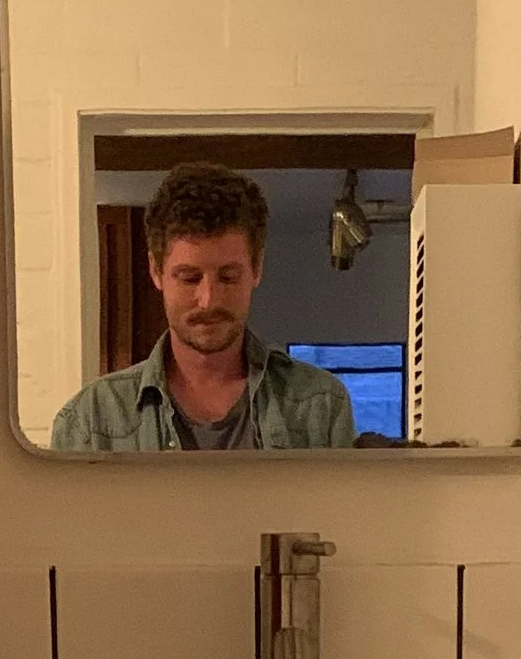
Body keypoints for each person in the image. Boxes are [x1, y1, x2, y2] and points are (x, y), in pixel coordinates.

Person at [51, 164, 357, 451]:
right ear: (156, 271)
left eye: (228, 277)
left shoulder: (320, 404)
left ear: (257, 268)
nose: (209, 299)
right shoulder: (89, 420)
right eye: (189, 278)